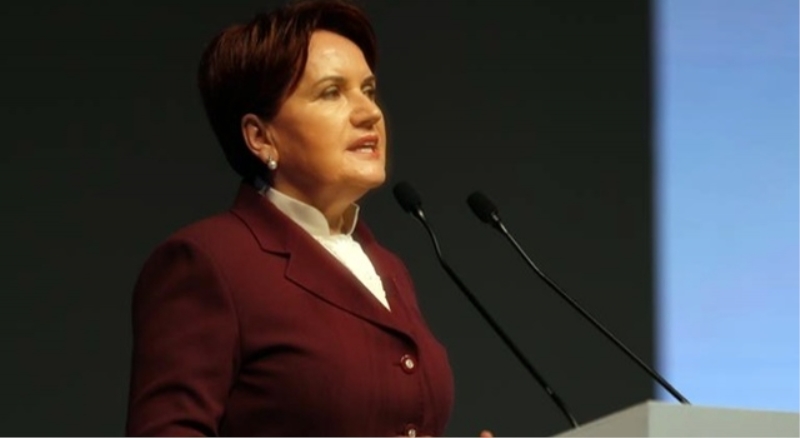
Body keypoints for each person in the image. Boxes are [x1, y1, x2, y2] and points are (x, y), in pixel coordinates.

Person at [125, 0, 490, 436]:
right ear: (260, 137)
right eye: (331, 92)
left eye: (368, 90)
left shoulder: (388, 267)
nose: (370, 112)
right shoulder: (209, 262)